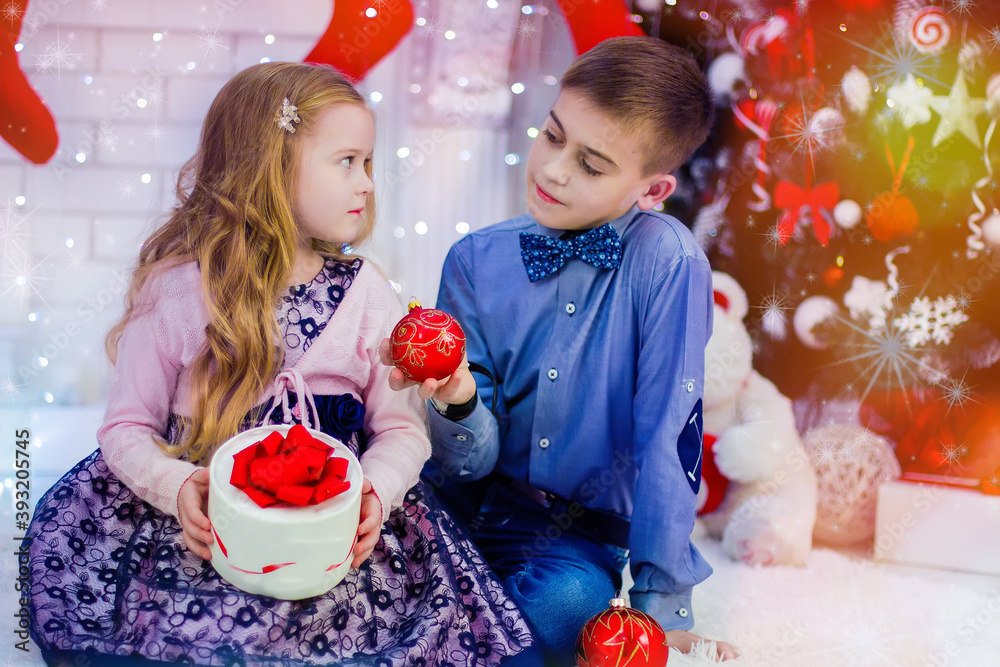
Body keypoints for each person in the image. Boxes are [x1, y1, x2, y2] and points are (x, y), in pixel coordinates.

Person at [25, 61, 538, 667]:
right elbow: (125, 427)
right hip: (206, 519)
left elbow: (401, 430)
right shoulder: (178, 290)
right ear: (268, 164)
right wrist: (175, 486)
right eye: (348, 162)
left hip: (331, 522)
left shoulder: (369, 292)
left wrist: (373, 491)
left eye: (369, 164)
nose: (368, 183)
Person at [381, 37, 739, 664]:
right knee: (364, 591)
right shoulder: (475, 259)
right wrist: (460, 400)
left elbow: (668, 436)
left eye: (592, 165)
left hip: (571, 542)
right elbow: (465, 463)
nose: (552, 169)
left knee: (559, 609)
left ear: (653, 190)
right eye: (552, 136)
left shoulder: (669, 262)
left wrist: (661, 609)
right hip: (449, 507)